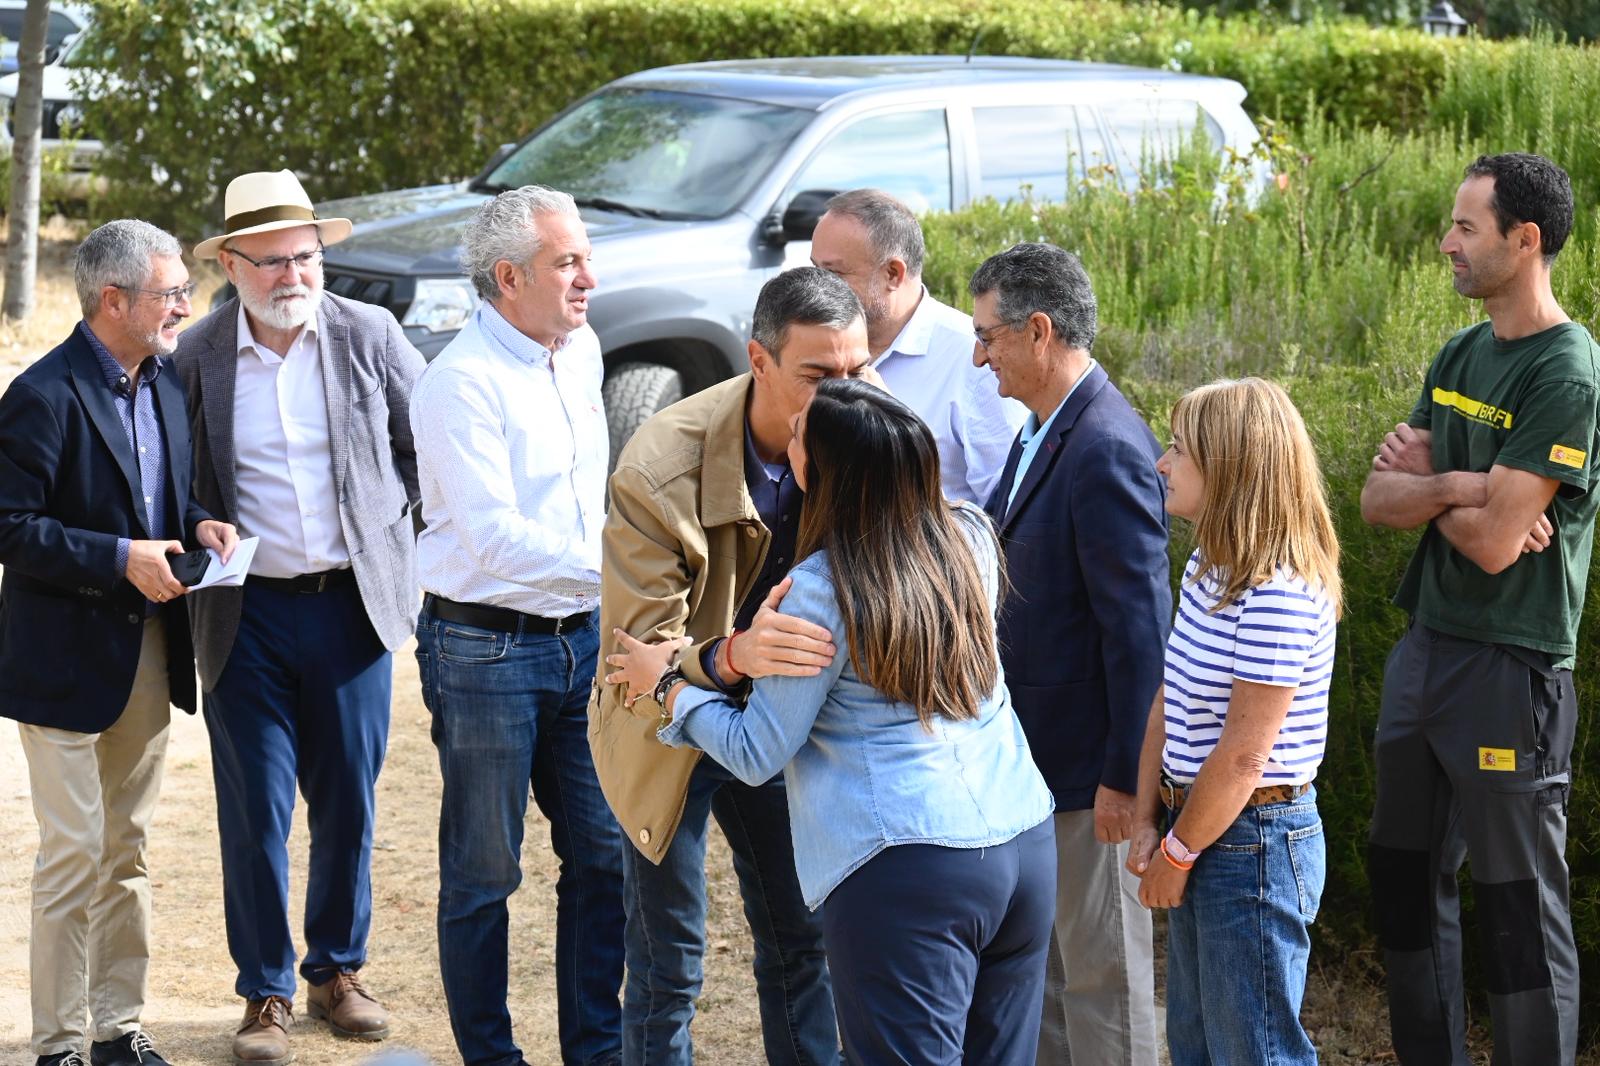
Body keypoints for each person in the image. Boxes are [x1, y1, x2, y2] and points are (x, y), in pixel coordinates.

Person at [605, 377, 1056, 1065]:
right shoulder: (969, 536)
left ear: (829, 474)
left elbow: (756, 752)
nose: (788, 446)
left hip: (908, 866)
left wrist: (670, 688)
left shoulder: (819, 592)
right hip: (1023, 840)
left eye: (799, 441)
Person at [174, 170, 426, 1062]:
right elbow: (171, 483)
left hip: (351, 609)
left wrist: (414, 559)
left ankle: (337, 972)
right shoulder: (196, 356)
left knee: (349, 803)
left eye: (308, 258)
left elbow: (426, 449)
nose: (294, 276)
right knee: (255, 811)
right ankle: (265, 993)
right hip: (244, 618)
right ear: (233, 266)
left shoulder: (370, 335)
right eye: (273, 261)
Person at [588, 267, 868, 1065]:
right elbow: (638, 650)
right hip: (664, 726)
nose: (844, 396)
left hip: (779, 724)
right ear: (759, 358)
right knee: (669, 968)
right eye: (819, 375)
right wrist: (736, 654)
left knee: (801, 943)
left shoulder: (868, 432)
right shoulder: (657, 464)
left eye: (856, 371)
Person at [1360, 153, 1597, 1065]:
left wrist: (1443, 491)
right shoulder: (1460, 353)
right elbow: (1379, 501)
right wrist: (1476, 486)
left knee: (1516, 909)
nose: (1446, 243)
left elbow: (1501, 545)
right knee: (1406, 885)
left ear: (1523, 240)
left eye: (1466, 227)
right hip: (1426, 649)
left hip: (1511, 666)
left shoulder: (1567, 372)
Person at [0, 219, 237, 1066]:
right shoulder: (39, 394)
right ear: (114, 300)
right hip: (61, 665)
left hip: (147, 653)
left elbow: (161, 507)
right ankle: (59, 1044)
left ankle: (116, 1030)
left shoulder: (167, 382)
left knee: (126, 851)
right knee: (72, 855)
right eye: (172, 292)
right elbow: (11, 529)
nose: (185, 305)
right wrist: (117, 559)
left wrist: (196, 524)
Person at [410, 185, 626, 1066]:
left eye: (584, 255)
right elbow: (494, 537)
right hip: (483, 648)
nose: (589, 277)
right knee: (484, 874)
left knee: (606, 858)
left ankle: (596, 1052)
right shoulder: (458, 382)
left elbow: (588, 503)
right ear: (508, 277)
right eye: (567, 261)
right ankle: (492, 1059)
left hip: (586, 642)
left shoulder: (581, 352)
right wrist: (626, 569)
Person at [971, 242, 1168, 1066]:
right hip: (1037, 769)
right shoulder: (1045, 429)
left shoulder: (1106, 445)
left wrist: (1128, 778)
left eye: (989, 336)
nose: (980, 355)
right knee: (1049, 978)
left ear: (1040, 330)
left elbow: (1140, 632)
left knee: (1106, 980)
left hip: (1094, 780)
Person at [1126, 377, 1340, 1066]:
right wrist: (1145, 817)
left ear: (1231, 468)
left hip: (1251, 844)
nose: (1162, 463)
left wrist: (1179, 855)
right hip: (1204, 824)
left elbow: (1245, 756)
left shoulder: (1278, 590)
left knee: (1254, 1052)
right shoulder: (1208, 568)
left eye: (1180, 450)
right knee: (1196, 1046)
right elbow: (1170, 697)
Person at [810, 188, 1025, 504]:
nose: (817, 287)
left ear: (893, 274)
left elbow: (1007, 509)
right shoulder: (811, 343)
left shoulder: (974, 361)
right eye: (814, 269)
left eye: (833, 273)